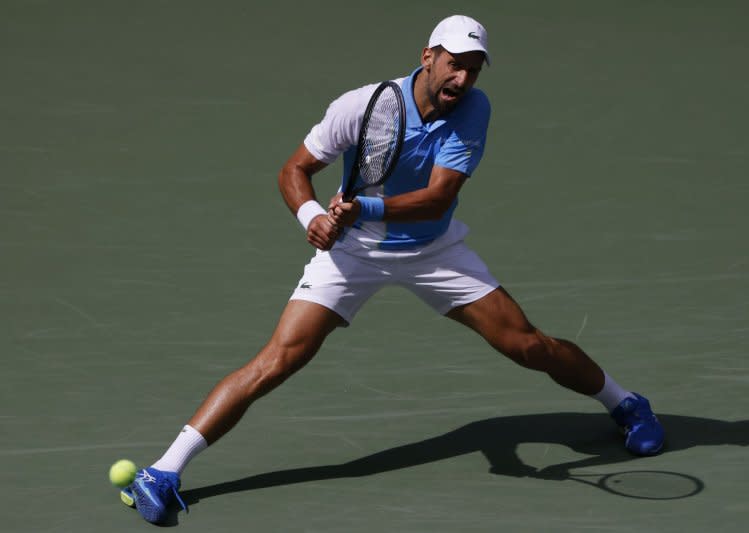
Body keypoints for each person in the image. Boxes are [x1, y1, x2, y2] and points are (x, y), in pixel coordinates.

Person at [122, 14, 665, 524]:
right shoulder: (360, 106)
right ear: (427, 57)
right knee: (277, 360)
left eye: (473, 69)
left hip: (434, 250)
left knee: (527, 345)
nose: (462, 77)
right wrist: (311, 215)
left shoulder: (474, 109)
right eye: (454, 63)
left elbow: (437, 198)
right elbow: (296, 168)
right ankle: (164, 470)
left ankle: (626, 404)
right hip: (353, 254)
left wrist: (365, 208)